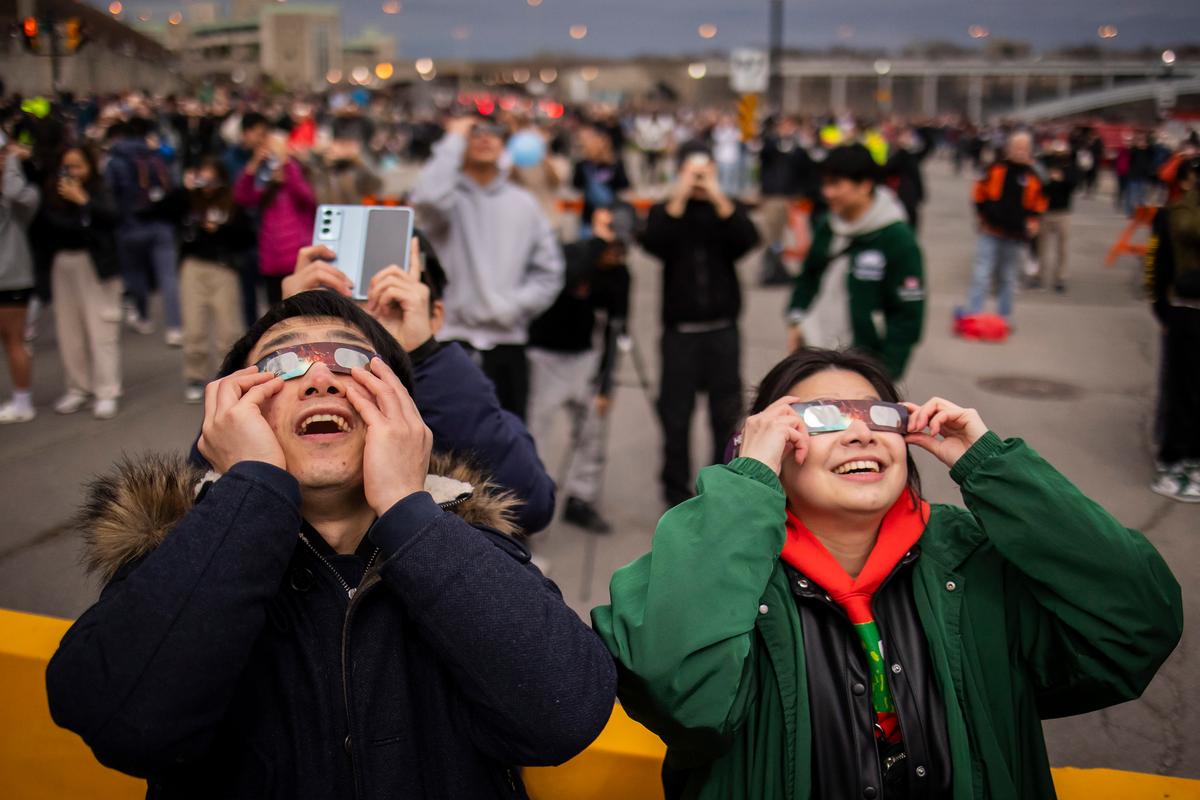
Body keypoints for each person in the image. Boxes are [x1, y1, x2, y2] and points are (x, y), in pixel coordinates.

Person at [46, 290, 616, 797]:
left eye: (352, 360)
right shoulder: (181, 551)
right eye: (282, 363)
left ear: (401, 411)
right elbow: (122, 723)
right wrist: (252, 490)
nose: (320, 379)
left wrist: (405, 507)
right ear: (232, 412)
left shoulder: (466, 543)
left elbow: (564, 712)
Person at [592, 347, 1183, 800]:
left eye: (880, 415)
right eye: (820, 418)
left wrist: (992, 468)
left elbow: (1136, 625)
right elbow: (682, 699)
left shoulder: (974, 560)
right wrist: (745, 486)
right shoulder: (716, 572)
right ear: (766, 446)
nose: (860, 431)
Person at [282, 235, 558, 533]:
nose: (362, 325)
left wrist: (424, 356)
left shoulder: (462, 399)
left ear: (434, 316)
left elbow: (530, 506)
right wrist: (286, 331)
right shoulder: (291, 396)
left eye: (390, 303)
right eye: (338, 307)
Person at [410, 115, 564, 420]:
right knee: (447, 443)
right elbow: (428, 199)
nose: (484, 138)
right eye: (474, 132)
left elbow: (549, 272)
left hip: (508, 343)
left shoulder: (524, 203)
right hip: (450, 341)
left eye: (493, 131)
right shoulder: (446, 200)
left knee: (510, 441)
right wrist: (453, 140)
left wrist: (512, 307)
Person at [639, 141, 760, 507]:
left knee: (725, 416)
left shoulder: (726, 209)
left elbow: (748, 241)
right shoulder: (666, 211)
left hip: (722, 329)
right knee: (675, 417)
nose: (698, 180)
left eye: (705, 171)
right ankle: (675, 492)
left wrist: (718, 195)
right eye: (692, 172)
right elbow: (653, 243)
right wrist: (679, 195)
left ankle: (719, 486)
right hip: (680, 334)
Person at [527, 206, 632, 533]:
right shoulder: (571, 253)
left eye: (621, 248)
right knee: (535, 435)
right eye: (612, 248)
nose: (616, 256)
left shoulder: (620, 274)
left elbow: (617, 328)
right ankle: (529, 507)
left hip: (584, 359)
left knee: (591, 433)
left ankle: (580, 498)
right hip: (545, 356)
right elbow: (568, 279)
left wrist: (606, 386)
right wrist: (597, 245)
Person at [786, 144, 925, 379]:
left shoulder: (896, 237)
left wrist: (886, 372)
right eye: (825, 184)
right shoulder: (827, 226)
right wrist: (796, 320)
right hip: (815, 351)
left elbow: (908, 314)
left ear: (865, 185)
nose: (827, 192)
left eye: (836, 184)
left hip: (863, 364)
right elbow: (808, 275)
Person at [30, 145, 123, 420]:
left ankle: (107, 390)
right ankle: (78, 387)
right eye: (67, 166)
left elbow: (112, 218)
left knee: (101, 328)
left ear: (90, 166)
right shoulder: (51, 194)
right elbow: (48, 227)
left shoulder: (100, 190)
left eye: (78, 166)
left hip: (96, 265)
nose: (72, 172)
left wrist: (83, 201)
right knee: (69, 330)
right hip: (63, 262)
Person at [167, 157, 255, 403]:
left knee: (229, 328)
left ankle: (230, 376)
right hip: (193, 267)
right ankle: (195, 376)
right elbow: (164, 210)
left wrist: (221, 229)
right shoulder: (188, 200)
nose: (207, 185)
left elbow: (247, 237)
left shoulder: (232, 203)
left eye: (212, 179)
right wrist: (184, 188)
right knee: (194, 326)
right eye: (202, 178)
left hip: (224, 267)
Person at [1145, 156, 1200, 502]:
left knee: (1183, 390)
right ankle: (1178, 461)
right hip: (1185, 312)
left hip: (1182, 311)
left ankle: (1181, 460)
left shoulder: (1175, 213)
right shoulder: (1175, 215)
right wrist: (1164, 311)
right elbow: (1157, 265)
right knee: (1183, 390)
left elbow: (1156, 268)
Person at [105, 117, 182, 344]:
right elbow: (174, 175)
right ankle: (175, 327)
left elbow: (110, 196)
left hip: (129, 226)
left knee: (135, 275)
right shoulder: (157, 154)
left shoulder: (115, 160)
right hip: (161, 223)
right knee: (168, 277)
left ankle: (143, 316)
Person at [959, 131, 1047, 325]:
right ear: (1008, 149)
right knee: (981, 274)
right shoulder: (994, 168)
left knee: (1008, 278)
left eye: (1024, 148)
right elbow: (979, 193)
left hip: (1015, 235)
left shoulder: (1034, 176)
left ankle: (1004, 316)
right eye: (1016, 147)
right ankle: (974, 314)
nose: (1020, 151)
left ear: (1030, 151)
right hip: (990, 231)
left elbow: (1039, 203)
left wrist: (1034, 222)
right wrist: (982, 216)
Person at [233, 128, 317, 306]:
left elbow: (307, 197)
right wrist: (255, 163)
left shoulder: (299, 171)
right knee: (277, 311)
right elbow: (243, 198)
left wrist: (286, 163)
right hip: (272, 260)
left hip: (298, 259)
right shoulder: (264, 179)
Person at [0, 142, 39, 423]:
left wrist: (12, 163)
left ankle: (23, 401)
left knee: (13, 339)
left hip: (11, 278)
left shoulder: (24, 194)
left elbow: (14, 192)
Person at [223, 111, 271, 328]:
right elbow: (237, 194)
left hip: (267, 231)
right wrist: (254, 163)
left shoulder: (269, 158)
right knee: (247, 291)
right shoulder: (230, 159)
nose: (262, 139)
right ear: (245, 133)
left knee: (270, 291)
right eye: (258, 134)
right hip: (243, 233)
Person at [758, 116, 817, 286]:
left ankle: (784, 268)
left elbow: (807, 171)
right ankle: (771, 268)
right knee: (772, 236)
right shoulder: (771, 146)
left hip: (792, 197)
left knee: (790, 238)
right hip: (773, 196)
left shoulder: (799, 150)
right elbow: (764, 154)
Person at [1033, 139, 1079, 293]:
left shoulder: (1071, 166)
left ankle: (1061, 278)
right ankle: (1039, 276)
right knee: (1041, 246)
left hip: (1063, 212)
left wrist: (1061, 178)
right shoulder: (1046, 163)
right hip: (1045, 211)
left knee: (1062, 248)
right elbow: (1039, 179)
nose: (1059, 155)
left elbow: (1074, 183)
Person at [572, 125, 630, 239]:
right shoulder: (582, 165)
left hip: (612, 215)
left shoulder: (615, 165)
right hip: (589, 216)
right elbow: (576, 185)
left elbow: (624, 186)